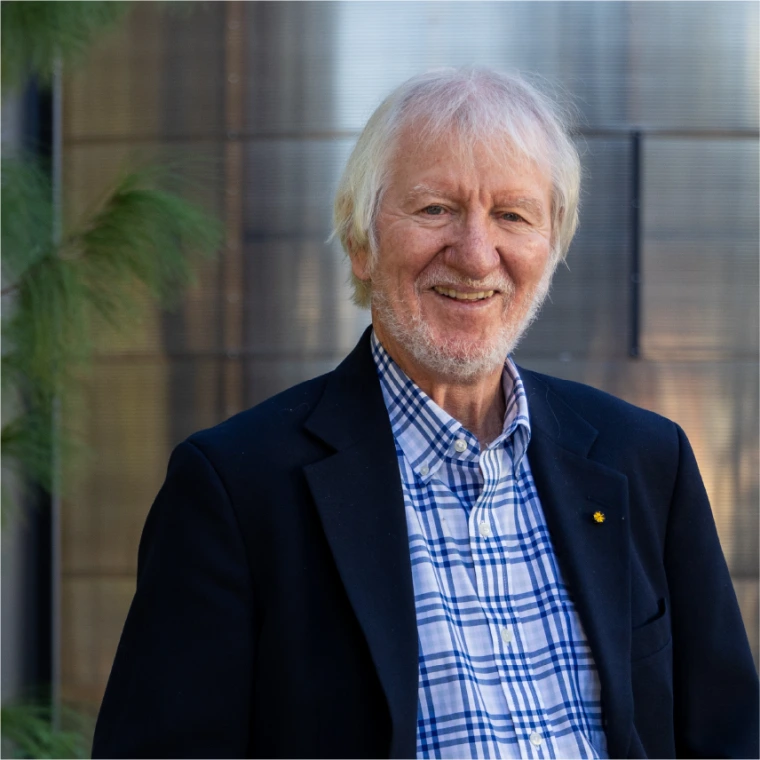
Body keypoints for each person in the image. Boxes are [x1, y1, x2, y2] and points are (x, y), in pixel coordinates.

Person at [92, 68, 758, 759]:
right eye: (436, 208)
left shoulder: (646, 460)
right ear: (360, 240)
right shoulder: (235, 489)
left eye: (512, 215)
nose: (475, 255)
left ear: (551, 246)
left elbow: (728, 737)